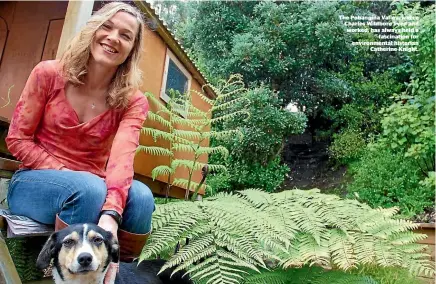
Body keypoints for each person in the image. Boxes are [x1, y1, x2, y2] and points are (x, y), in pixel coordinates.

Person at [5, 2, 154, 262]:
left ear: (132, 49)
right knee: (89, 189)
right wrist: (66, 173)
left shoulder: (132, 101)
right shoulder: (48, 74)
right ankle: (65, 268)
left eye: (125, 35)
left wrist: (112, 213)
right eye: (107, 27)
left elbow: (122, 159)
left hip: (94, 185)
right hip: (34, 182)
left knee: (142, 197)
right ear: (93, 29)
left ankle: (115, 271)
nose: (113, 38)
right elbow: (17, 139)